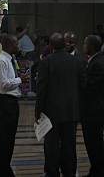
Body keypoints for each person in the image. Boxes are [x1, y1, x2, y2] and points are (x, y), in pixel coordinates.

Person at [35, 32, 84, 177]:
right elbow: (83, 86)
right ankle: (69, 172)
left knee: (51, 145)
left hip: (51, 113)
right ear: (65, 44)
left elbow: (41, 89)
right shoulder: (77, 61)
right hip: (71, 111)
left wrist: (38, 111)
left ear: (50, 46)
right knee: (70, 145)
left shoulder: (46, 62)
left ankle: (52, 172)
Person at [0, 34, 25, 177]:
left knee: (9, 139)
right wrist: (19, 80)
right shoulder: (1, 61)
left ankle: (5, 169)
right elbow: (3, 84)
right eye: (16, 44)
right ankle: (3, 171)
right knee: (3, 139)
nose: (18, 46)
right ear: (9, 45)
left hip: (10, 103)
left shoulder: (10, 60)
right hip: (3, 103)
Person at [81, 34, 104, 177]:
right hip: (95, 110)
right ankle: (95, 170)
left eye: (85, 43)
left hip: (94, 111)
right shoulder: (96, 60)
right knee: (95, 143)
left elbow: (90, 87)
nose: (83, 46)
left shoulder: (98, 63)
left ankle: (97, 171)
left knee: (94, 143)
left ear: (92, 46)